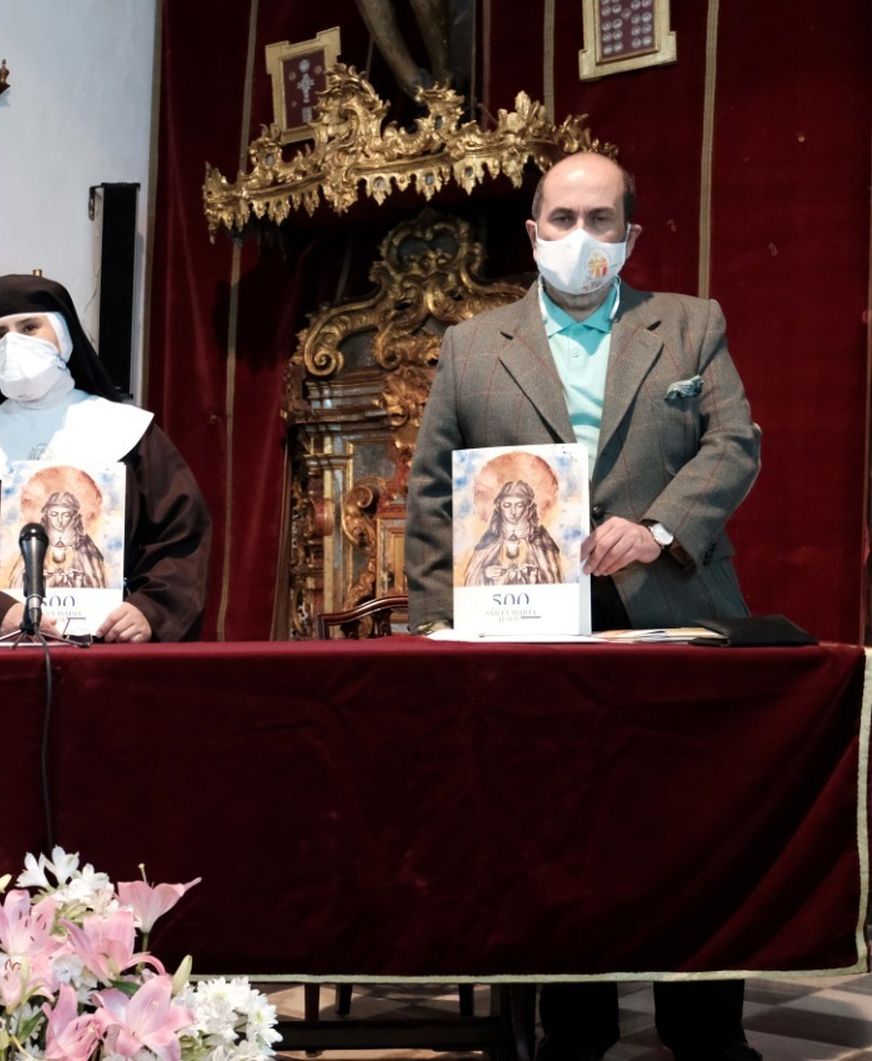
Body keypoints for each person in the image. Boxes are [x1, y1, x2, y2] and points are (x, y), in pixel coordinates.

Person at [405, 151, 761, 1061]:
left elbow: (734, 444)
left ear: (630, 235)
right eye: (561, 219)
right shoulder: (472, 347)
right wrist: (433, 627)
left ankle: (704, 1029)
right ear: (532, 232)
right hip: (527, 626)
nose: (579, 238)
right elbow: (435, 498)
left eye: (600, 221)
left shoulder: (689, 326)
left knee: (686, 831)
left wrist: (658, 525)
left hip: (671, 607)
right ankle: (572, 1030)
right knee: (553, 833)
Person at [0, 273, 211, 644]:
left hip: (114, 647)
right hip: (6, 650)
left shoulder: (130, 434)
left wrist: (150, 610)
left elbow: (182, 536)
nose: (13, 343)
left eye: (30, 326)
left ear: (64, 336)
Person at [463, 479, 564, 586]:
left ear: (528, 508)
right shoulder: (490, 539)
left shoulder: (541, 539)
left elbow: (553, 579)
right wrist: (485, 573)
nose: (513, 511)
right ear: (499, 507)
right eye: (507, 505)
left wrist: (534, 575)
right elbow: (471, 577)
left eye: (519, 505)